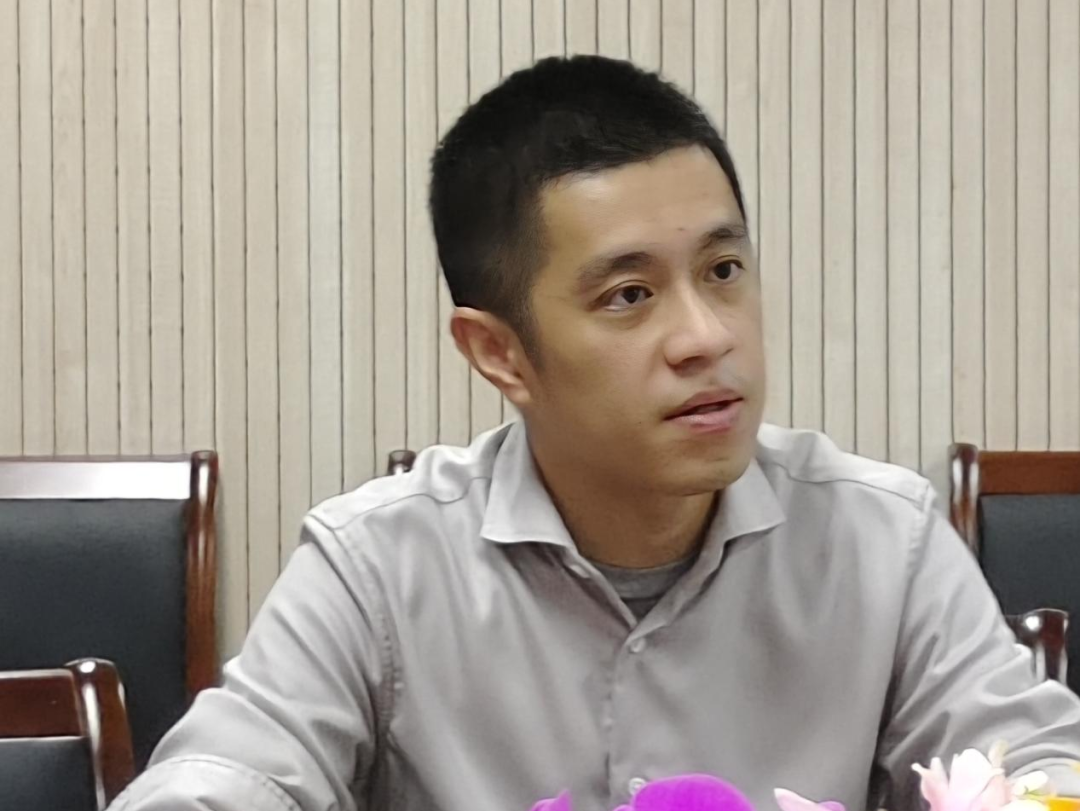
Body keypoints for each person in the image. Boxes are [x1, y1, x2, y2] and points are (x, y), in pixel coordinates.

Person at [110, 56, 1080, 811]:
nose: (706, 337)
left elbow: (1039, 766)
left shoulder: (884, 543)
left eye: (724, 272)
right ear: (500, 354)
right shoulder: (379, 566)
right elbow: (225, 778)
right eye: (629, 295)